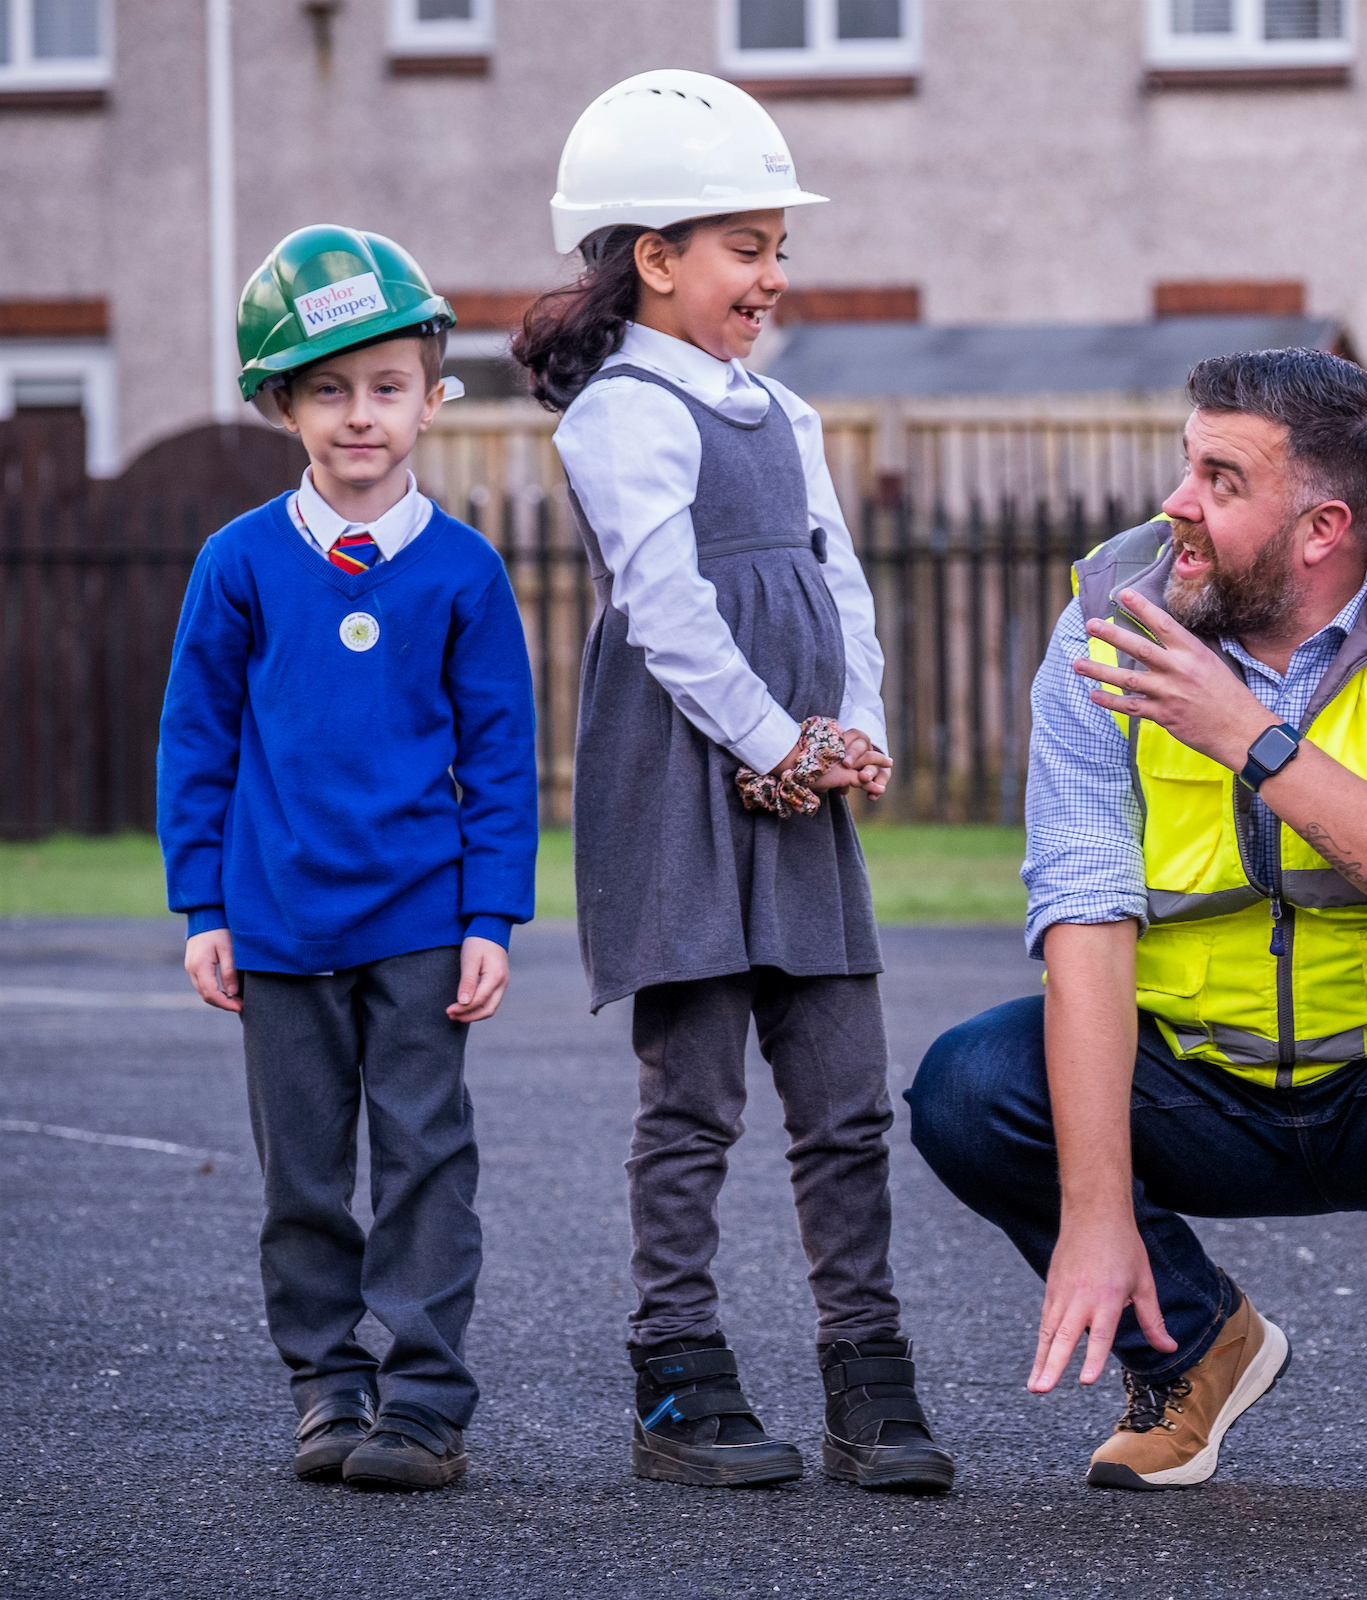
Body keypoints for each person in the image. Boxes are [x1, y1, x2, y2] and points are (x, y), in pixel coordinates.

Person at [909, 347, 1367, 1513]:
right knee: (970, 1084)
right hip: (1198, 1081)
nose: (1176, 504)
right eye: (1186, 465)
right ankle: (1189, 1350)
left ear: (1321, 527)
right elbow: (1085, 914)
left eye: (1220, 480)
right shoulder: (1109, 610)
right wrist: (1091, 1215)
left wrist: (1253, 738)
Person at [519, 68, 951, 1494]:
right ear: (656, 258)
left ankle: (868, 1382)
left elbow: (842, 584)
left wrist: (857, 728)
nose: (773, 275)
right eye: (746, 247)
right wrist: (773, 744)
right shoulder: (618, 415)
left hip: (801, 789)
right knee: (694, 1100)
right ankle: (678, 1383)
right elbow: (668, 613)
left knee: (845, 1099)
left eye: (780, 248)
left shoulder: (791, 412)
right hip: (686, 788)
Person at [159, 226, 539, 1491]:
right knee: (305, 1171)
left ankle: (425, 1399)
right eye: (327, 388)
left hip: (423, 918)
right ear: (283, 405)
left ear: (434, 396)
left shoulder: (467, 570)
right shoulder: (240, 562)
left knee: (429, 1155)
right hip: (275, 921)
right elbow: (197, 740)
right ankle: (329, 1383)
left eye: (386, 385)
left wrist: (491, 916)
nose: (359, 414)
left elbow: (500, 759)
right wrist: (203, 902)